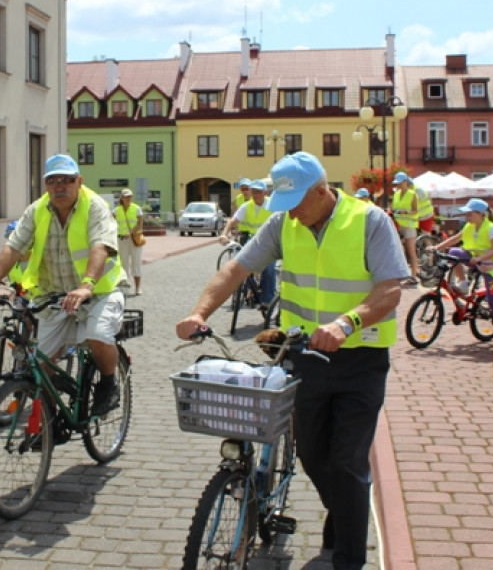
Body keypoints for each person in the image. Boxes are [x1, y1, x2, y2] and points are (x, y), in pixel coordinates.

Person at [177, 151, 408, 570]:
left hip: (361, 359)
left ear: (322, 192)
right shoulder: (285, 222)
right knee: (314, 457)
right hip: (303, 357)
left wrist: (347, 323)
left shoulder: (369, 220)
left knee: (347, 461)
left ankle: (346, 558)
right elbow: (236, 269)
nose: (293, 215)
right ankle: (346, 516)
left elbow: (391, 288)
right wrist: (200, 312)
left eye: (298, 204)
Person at [0, 153, 126, 417]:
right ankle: (51, 422)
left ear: (79, 181)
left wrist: (87, 285)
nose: (59, 186)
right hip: (55, 296)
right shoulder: (36, 210)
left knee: (97, 335)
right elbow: (12, 248)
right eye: (52, 181)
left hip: (99, 292)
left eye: (66, 180)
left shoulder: (95, 206)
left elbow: (100, 247)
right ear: (45, 185)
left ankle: (109, 383)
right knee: (39, 365)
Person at [434, 198, 493, 316]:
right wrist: (437, 247)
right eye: (466, 214)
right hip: (475, 261)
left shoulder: (491, 228)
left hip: (490, 267)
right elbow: (455, 238)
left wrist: (479, 259)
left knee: (492, 301)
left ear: (480, 214)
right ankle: (463, 284)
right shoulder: (469, 226)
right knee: (454, 252)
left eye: (470, 214)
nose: (467, 217)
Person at [219, 179, 276, 308]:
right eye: (253, 191)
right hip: (253, 240)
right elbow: (232, 221)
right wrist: (224, 234)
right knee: (241, 264)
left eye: (258, 192)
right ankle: (249, 288)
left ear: (265, 193)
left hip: (270, 241)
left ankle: (267, 301)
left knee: (269, 269)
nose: (255, 194)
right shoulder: (246, 206)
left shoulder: (272, 205)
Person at [390, 172, 420, 286]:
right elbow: (392, 207)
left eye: (399, 183)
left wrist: (406, 212)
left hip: (409, 225)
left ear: (405, 182)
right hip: (398, 224)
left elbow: (416, 211)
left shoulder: (412, 194)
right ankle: (402, 273)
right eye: (396, 183)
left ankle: (413, 276)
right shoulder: (396, 194)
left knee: (411, 251)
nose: (397, 185)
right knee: (398, 250)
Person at [115, 188, 144, 296]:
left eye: (130, 196)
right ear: (121, 198)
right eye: (126, 196)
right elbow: (111, 223)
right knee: (123, 264)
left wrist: (130, 232)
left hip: (135, 239)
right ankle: (125, 288)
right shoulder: (116, 210)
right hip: (122, 240)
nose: (128, 198)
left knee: (136, 264)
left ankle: (137, 288)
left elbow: (140, 224)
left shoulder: (137, 208)